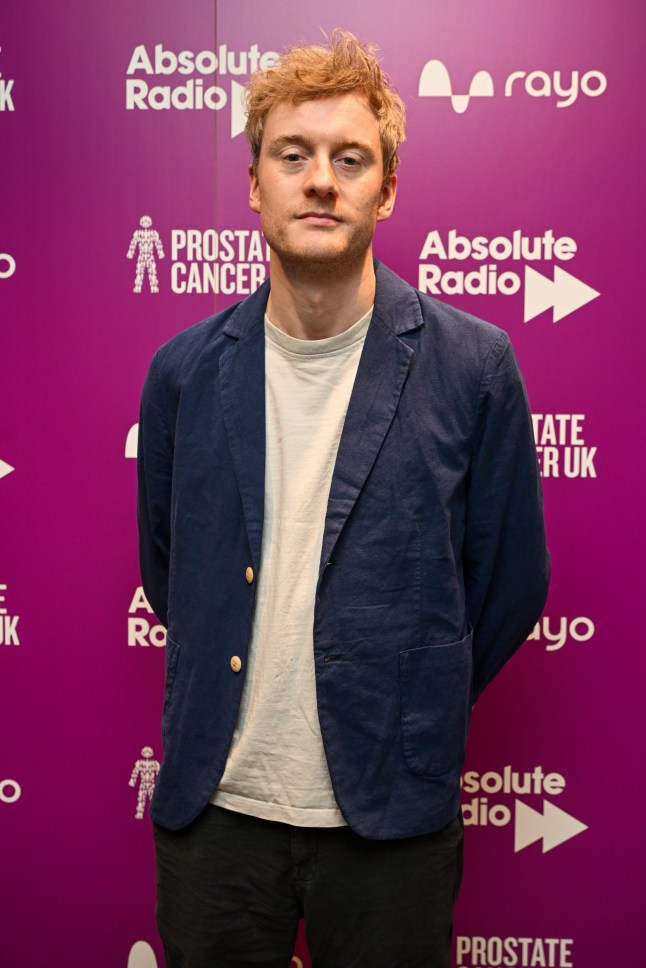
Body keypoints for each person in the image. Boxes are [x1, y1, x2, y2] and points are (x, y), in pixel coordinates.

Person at [138, 29, 549, 968]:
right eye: (293, 155)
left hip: (392, 824)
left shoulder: (474, 368)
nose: (320, 180)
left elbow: (510, 585)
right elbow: (171, 574)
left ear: (386, 189)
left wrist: (406, 701)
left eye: (349, 158)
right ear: (255, 184)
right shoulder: (182, 375)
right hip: (216, 821)